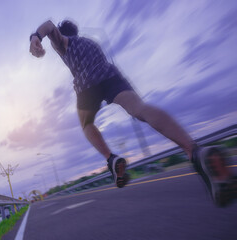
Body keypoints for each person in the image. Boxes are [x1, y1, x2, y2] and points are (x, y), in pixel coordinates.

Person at [29, 19, 234, 206]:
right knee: (139, 109)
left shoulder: (63, 42)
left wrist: (35, 38)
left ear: (63, 32)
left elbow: (47, 25)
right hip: (110, 75)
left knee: (86, 124)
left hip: (86, 85)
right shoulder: (90, 42)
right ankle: (195, 151)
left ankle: (111, 159)